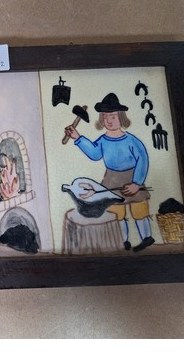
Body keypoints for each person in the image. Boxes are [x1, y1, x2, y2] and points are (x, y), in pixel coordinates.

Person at [64, 93, 155, 252]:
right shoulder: (103, 140)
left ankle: (146, 238)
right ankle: (123, 240)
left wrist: (137, 183)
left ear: (121, 117)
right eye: (105, 117)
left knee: (139, 208)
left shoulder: (131, 140)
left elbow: (143, 159)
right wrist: (77, 137)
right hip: (112, 179)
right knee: (116, 211)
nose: (109, 120)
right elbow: (94, 154)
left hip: (132, 177)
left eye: (113, 116)